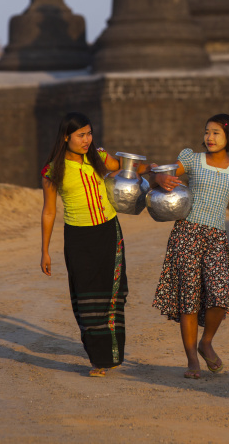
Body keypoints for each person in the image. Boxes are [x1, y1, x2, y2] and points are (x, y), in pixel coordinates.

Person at [40, 111, 150, 377]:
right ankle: (97, 358)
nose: (87, 140)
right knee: (86, 297)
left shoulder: (98, 157)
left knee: (112, 295)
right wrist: (44, 250)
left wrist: (159, 173)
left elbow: (129, 169)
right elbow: (49, 212)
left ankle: (110, 357)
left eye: (89, 134)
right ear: (66, 137)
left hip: (108, 232)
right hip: (78, 238)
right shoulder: (52, 171)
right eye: (81, 135)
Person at [152, 113, 229, 379]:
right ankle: (192, 360)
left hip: (217, 238)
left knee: (220, 295)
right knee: (189, 300)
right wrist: (161, 178)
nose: (209, 137)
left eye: (216, 132)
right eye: (207, 132)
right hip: (187, 233)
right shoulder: (192, 160)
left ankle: (205, 342)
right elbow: (164, 176)